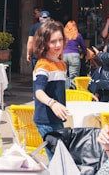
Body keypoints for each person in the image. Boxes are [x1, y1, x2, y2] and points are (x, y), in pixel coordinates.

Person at [32, 20, 68, 159]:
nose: (58, 44)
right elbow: (38, 91)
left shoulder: (61, 64)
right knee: (57, 158)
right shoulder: (43, 65)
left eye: (60, 40)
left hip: (57, 118)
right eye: (53, 41)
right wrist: (53, 103)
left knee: (58, 157)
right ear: (44, 43)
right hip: (46, 120)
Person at [63, 20, 88, 88]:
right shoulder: (78, 35)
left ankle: (65, 92)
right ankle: (72, 93)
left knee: (64, 75)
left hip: (64, 55)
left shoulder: (63, 36)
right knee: (73, 77)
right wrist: (86, 53)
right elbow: (83, 46)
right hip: (74, 56)